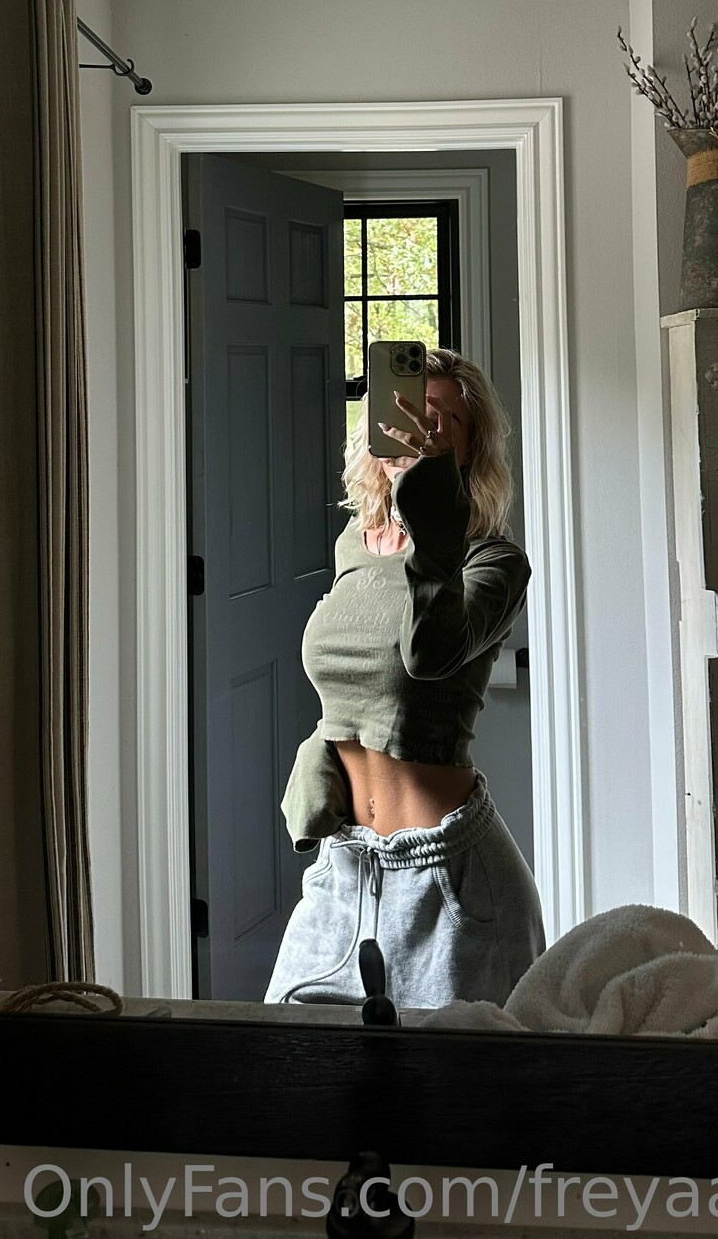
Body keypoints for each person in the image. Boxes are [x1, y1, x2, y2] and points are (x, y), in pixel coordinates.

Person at [264, 347, 546, 1011]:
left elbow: (429, 655)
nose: (423, 425)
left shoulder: (494, 562)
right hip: (344, 864)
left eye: (444, 418)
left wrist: (435, 518)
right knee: (281, 1054)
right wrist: (326, 743)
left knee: (457, 1076)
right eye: (410, 409)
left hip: (451, 880)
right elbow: (354, 673)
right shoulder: (354, 544)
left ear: (471, 450)